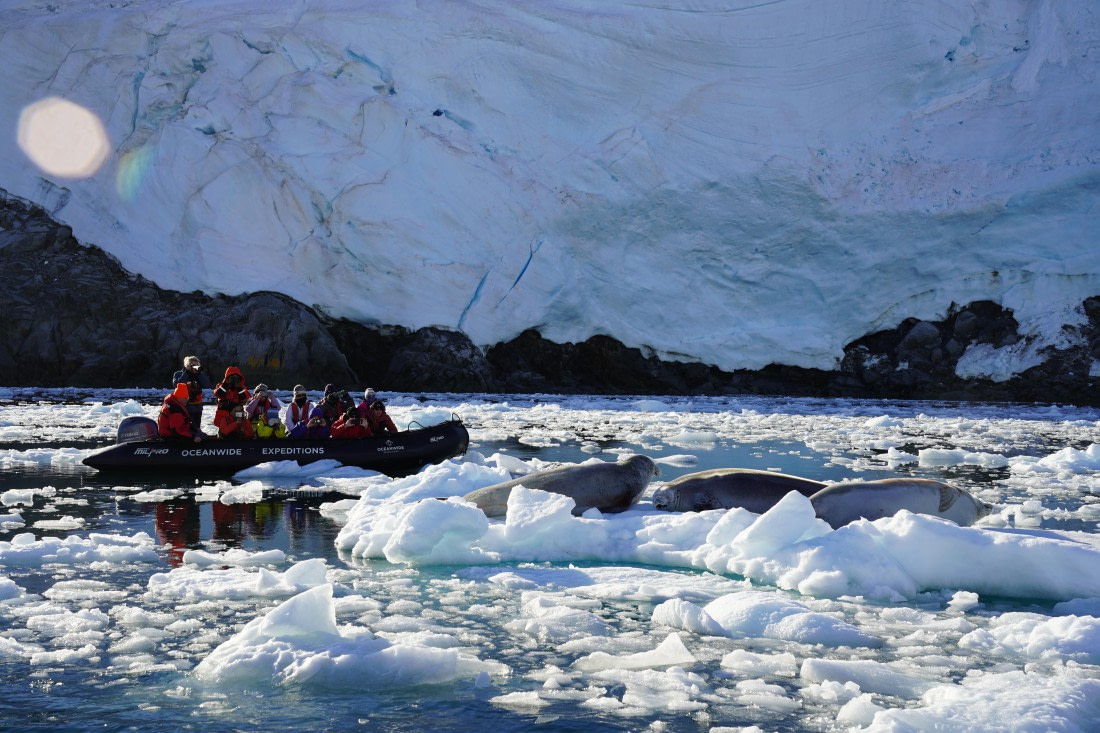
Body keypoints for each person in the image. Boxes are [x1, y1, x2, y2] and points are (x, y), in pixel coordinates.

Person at [171, 355, 210, 432]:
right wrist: (187, 372)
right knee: (185, 428)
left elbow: (207, 385)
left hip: (197, 406)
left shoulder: (198, 375)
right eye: (191, 365)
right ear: (186, 365)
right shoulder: (178, 374)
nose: (193, 367)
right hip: (184, 406)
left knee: (196, 428)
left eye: (195, 365)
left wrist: (199, 373)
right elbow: (177, 384)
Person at [212, 366, 251, 431]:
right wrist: (226, 384)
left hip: (237, 414)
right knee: (224, 430)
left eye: (236, 377)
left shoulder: (242, 387)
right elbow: (218, 394)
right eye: (231, 377)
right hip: (224, 414)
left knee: (239, 429)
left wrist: (239, 387)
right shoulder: (221, 385)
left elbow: (245, 398)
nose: (233, 379)